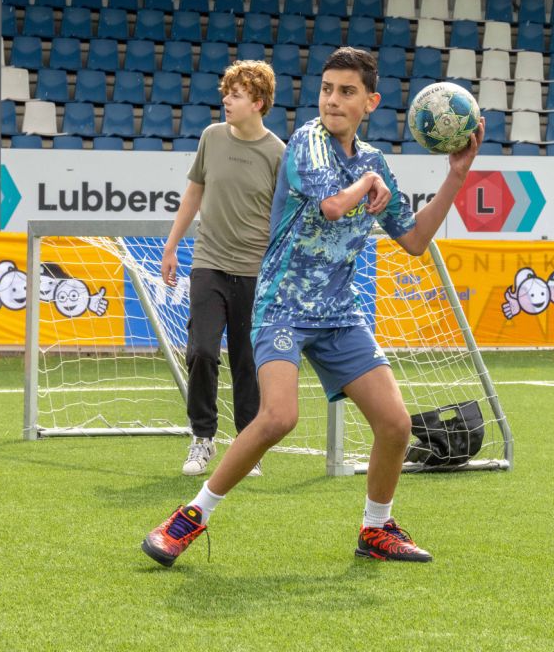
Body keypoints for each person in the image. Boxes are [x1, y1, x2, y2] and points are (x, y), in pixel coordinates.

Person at [142, 47, 485, 566]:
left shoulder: (372, 161)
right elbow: (331, 205)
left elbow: (414, 240)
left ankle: (376, 529)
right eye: (327, 89)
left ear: (370, 102)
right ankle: (189, 517)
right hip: (280, 304)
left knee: (396, 425)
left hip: (340, 315)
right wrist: (369, 185)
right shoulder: (307, 141)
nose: (332, 100)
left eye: (347, 92)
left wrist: (456, 174)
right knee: (278, 416)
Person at [160, 59, 286, 477]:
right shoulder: (211, 137)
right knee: (200, 351)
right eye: (226, 92)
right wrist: (172, 246)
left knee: (247, 362)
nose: (226, 100)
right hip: (208, 263)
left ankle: (247, 446)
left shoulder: (277, 153)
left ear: (259, 102)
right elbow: (193, 193)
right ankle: (202, 438)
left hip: (255, 272)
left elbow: (282, 217)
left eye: (236, 95)